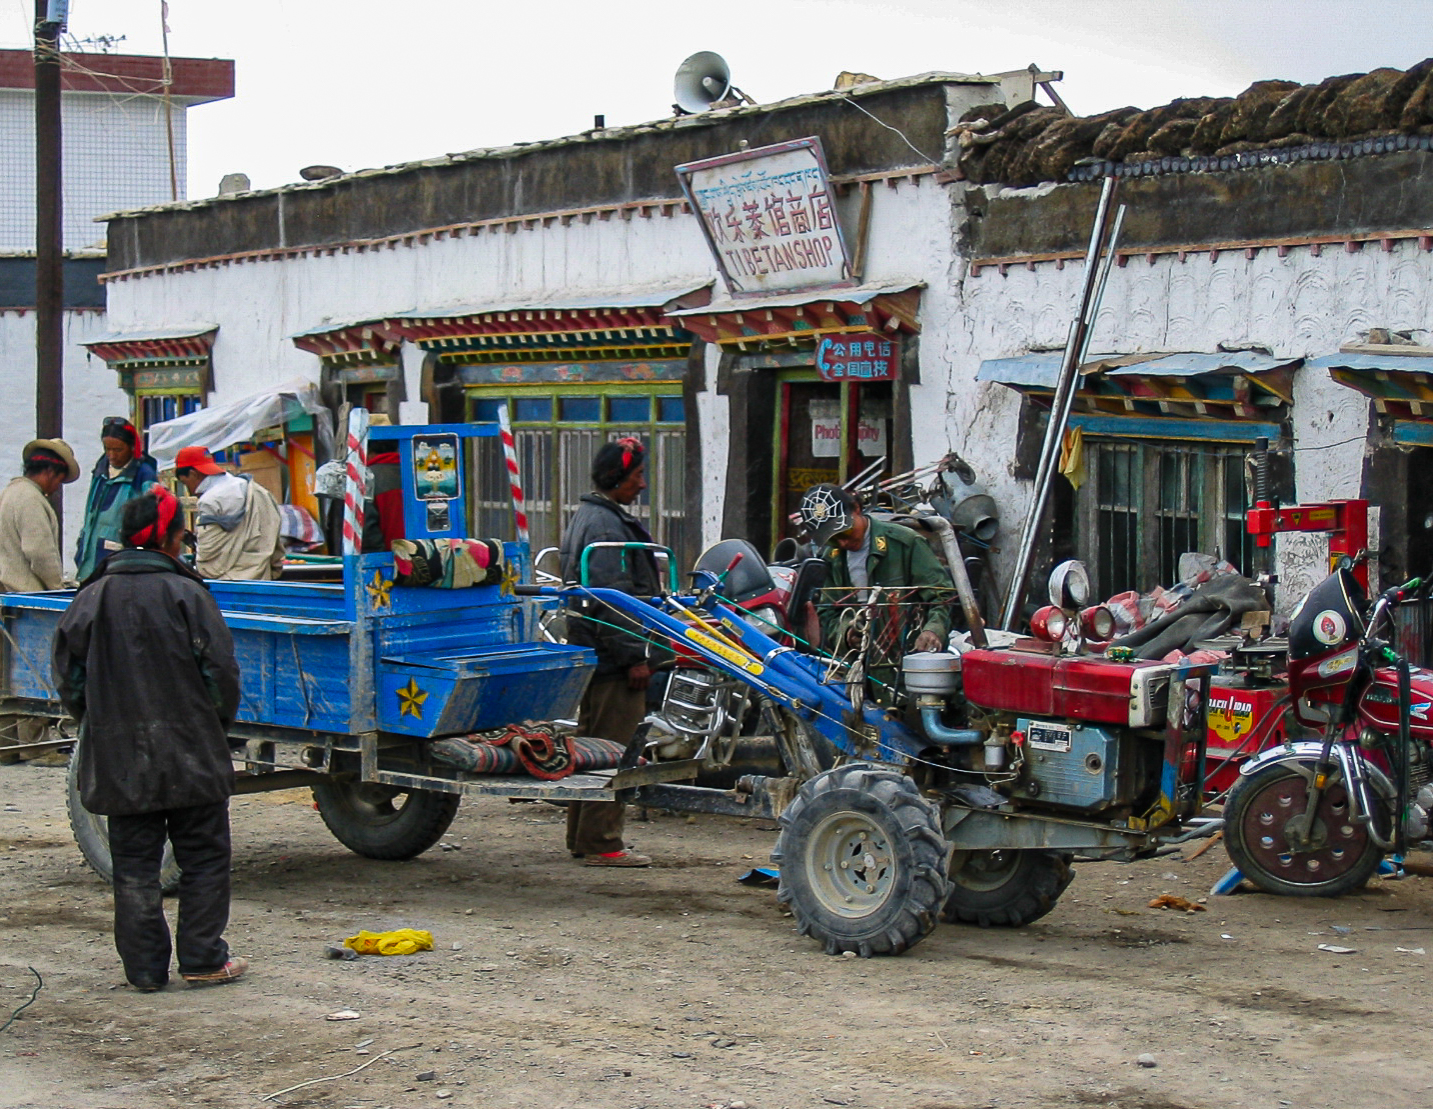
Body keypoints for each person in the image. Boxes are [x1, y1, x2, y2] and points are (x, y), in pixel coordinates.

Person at [52, 486, 245, 991]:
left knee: (135, 865)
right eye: (182, 534)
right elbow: (221, 674)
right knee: (203, 857)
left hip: (119, 757)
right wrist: (212, 727)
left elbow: (70, 680)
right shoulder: (189, 594)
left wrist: (99, 723)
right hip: (192, 753)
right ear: (166, 538)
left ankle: (143, 970)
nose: (186, 543)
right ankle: (204, 960)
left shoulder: (90, 597)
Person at [558, 436, 669, 867]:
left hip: (596, 657)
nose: (642, 484)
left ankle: (584, 837)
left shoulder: (594, 517)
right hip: (612, 663)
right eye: (637, 475)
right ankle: (602, 841)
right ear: (615, 478)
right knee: (614, 751)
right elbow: (612, 602)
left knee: (591, 750)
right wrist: (635, 657)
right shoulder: (604, 527)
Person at [799, 483, 952, 697]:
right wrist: (847, 633)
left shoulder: (904, 542)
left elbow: (941, 595)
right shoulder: (832, 558)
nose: (843, 541)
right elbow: (828, 613)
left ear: (856, 509)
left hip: (910, 661)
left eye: (845, 531)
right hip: (861, 669)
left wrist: (933, 630)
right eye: (833, 538)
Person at [173, 445, 285, 580]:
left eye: (186, 483)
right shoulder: (257, 490)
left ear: (193, 474)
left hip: (229, 584)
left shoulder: (210, 500)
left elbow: (208, 557)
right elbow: (275, 542)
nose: (190, 491)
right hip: (262, 579)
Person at [74, 416, 159, 580]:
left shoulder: (143, 476)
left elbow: (149, 524)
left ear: (132, 447)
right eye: (107, 449)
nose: (111, 455)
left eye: (118, 450)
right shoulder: (100, 470)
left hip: (120, 565)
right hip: (89, 561)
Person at [0, 438, 78, 592]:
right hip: (26, 596)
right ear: (49, 472)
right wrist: (57, 588)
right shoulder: (31, 499)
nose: (57, 488)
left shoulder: (9, 492)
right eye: (59, 480)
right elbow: (40, 553)